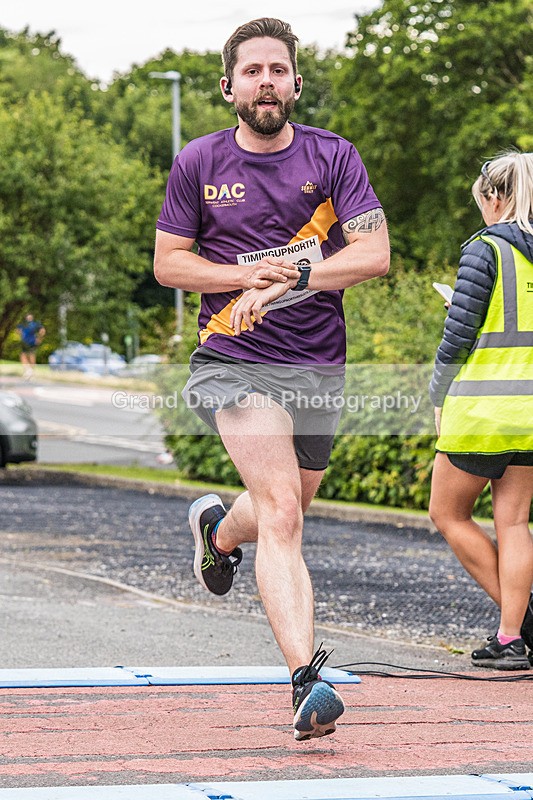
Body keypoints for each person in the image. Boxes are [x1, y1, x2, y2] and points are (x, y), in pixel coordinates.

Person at [154, 17, 390, 738]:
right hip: (232, 361)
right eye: (251, 71)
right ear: (229, 87)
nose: (266, 82)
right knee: (283, 509)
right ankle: (305, 682)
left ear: (294, 82)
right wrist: (238, 276)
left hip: (316, 364)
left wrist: (294, 274)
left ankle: (220, 533)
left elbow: (373, 253)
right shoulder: (198, 162)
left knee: (283, 506)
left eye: (277, 70)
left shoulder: (333, 156)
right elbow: (169, 263)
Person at [429, 150, 533, 671]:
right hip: (530, 414)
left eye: (484, 201)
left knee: (447, 513)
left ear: (498, 197)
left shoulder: (484, 250)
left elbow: (458, 338)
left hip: (481, 411)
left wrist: (436, 396)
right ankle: (511, 634)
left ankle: (521, 631)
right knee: (514, 523)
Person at [16, 313, 46, 379]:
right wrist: (39, 338)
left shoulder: (24, 324)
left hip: (27, 342)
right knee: (31, 355)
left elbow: (18, 331)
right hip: (32, 342)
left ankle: (28, 370)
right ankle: (31, 371)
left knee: (24, 355)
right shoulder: (35, 324)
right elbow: (42, 330)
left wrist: (22, 335)